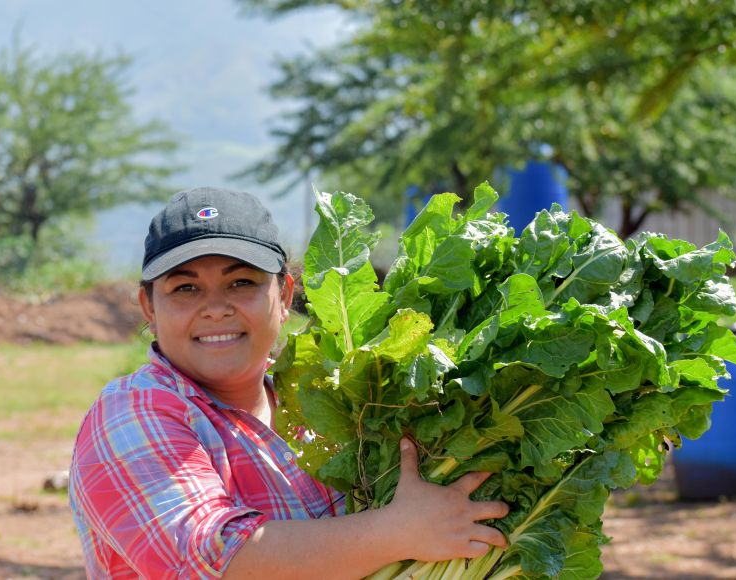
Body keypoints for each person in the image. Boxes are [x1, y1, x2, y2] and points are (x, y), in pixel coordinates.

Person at [68, 187, 508, 579]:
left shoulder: (332, 398)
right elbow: (218, 562)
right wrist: (399, 533)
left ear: (283, 295)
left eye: (241, 282)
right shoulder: (130, 414)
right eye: (186, 289)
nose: (216, 308)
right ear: (148, 306)